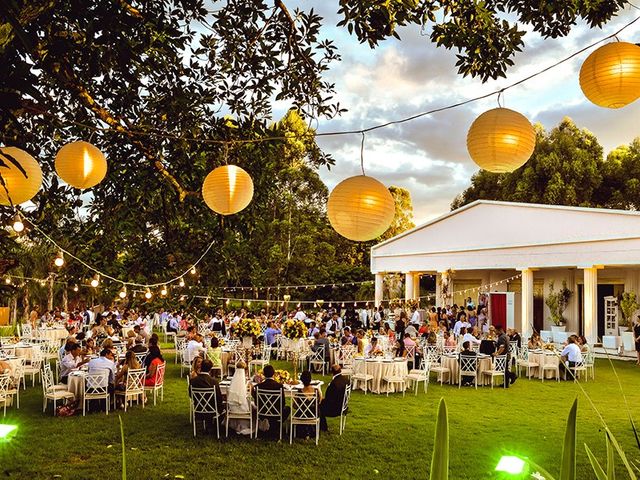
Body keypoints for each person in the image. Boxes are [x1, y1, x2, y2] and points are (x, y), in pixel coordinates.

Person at [253, 364, 290, 437]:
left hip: (262, 413)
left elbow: (256, 402)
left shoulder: (258, 386)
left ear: (263, 374)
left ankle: (270, 425)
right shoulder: (279, 386)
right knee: (287, 409)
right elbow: (283, 403)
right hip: (276, 413)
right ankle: (275, 425)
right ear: (273, 374)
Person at [189, 359, 225, 426]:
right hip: (212, 409)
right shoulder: (214, 381)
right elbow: (218, 398)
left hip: (198, 408)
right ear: (210, 369)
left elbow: (190, 395)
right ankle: (217, 424)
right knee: (224, 407)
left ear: (201, 367)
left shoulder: (193, 381)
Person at [227, 361, 254, 436]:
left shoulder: (233, 381)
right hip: (243, 410)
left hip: (232, 409)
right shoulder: (245, 383)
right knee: (254, 407)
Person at [320, 364, 349, 432]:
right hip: (343, 406)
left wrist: (320, 400)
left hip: (334, 409)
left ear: (332, 372)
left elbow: (328, 398)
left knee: (317, 407)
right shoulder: (346, 379)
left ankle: (323, 427)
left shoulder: (334, 384)